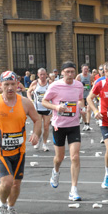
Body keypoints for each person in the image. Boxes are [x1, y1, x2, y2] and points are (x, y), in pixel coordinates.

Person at [0, 71, 41, 214]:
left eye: (13, 84)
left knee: (16, 183)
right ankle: (2, 205)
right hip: (0, 150)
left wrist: (36, 134)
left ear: (17, 85)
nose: (10, 87)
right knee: (7, 182)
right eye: (6, 84)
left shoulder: (25, 102)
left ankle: (11, 207)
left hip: (19, 150)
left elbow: (37, 119)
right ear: (1, 86)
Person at [42, 61, 85, 201]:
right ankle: (55, 171)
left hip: (74, 125)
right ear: (62, 73)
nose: (70, 74)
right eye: (67, 72)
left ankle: (74, 189)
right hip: (59, 126)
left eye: (73, 72)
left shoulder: (79, 85)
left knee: (75, 157)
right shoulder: (55, 86)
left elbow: (80, 100)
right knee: (59, 158)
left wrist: (81, 108)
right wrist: (56, 108)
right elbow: (44, 101)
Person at [27, 68, 51, 152]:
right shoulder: (35, 83)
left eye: (44, 74)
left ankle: (44, 144)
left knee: (46, 126)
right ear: (38, 75)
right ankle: (38, 140)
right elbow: (28, 91)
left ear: (46, 75)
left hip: (47, 108)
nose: (43, 76)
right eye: (41, 74)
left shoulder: (49, 83)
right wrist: (30, 99)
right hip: (37, 108)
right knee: (38, 127)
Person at [76, 64, 93, 132]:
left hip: (88, 95)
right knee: (83, 111)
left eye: (87, 69)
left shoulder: (90, 76)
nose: (86, 70)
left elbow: (93, 83)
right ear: (82, 69)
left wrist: (92, 92)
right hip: (81, 96)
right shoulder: (79, 76)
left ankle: (88, 124)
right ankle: (85, 123)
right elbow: (75, 85)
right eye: (84, 69)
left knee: (88, 109)